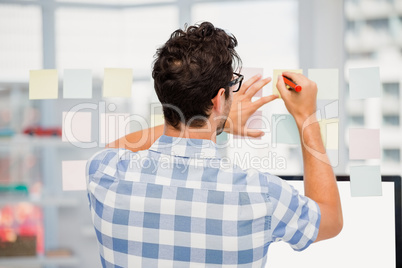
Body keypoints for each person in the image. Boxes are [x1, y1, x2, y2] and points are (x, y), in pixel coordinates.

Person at [86, 21, 343, 267]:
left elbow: (116, 147)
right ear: (221, 98)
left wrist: (214, 118)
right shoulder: (263, 195)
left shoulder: (105, 173)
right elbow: (330, 220)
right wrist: (305, 116)